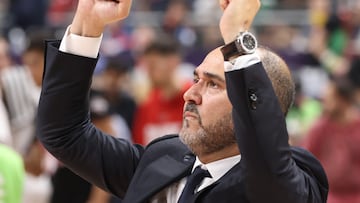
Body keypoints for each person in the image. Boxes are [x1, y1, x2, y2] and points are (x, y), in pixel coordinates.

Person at [37, 0, 328, 202]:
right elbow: (64, 133)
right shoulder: (164, 158)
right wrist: (87, 24)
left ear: (260, 102)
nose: (191, 93)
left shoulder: (295, 181)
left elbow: (269, 165)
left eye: (213, 84)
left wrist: (237, 42)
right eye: (196, 78)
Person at [303, 77, 360, 203]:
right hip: (329, 196)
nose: (325, 103)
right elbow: (306, 162)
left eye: (330, 99)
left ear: (344, 100)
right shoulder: (319, 129)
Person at [132, 36, 191, 145]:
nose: (148, 73)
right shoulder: (146, 104)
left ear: (173, 62)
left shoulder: (193, 99)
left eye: (153, 66)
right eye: (147, 67)